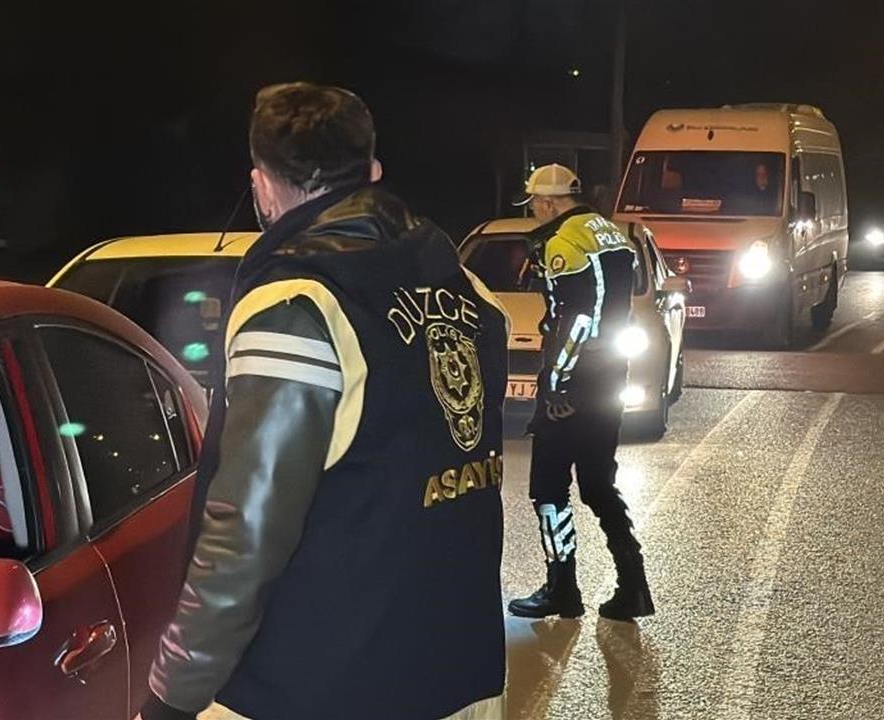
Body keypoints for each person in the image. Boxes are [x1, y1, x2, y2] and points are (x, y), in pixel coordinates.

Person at [140, 82, 510, 720]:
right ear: (372, 172)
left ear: (261, 185)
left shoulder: (296, 306)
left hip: (324, 685)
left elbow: (246, 528)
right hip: (461, 669)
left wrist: (174, 694)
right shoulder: (466, 286)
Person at [506, 164, 654, 622]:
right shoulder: (611, 233)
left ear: (549, 202)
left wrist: (556, 384)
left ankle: (562, 589)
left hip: (575, 380)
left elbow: (577, 321)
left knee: (548, 488)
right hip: (609, 377)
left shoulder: (563, 243)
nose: (534, 211)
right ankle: (633, 585)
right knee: (597, 484)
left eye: (535, 203)